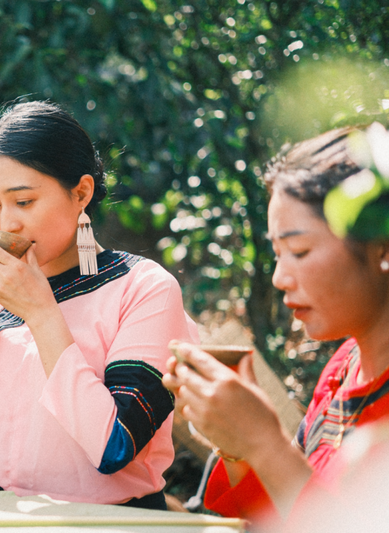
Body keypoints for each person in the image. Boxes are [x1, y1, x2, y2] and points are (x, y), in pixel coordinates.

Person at [0, 101, 198, 509]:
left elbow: (114, 446)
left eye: (24, 201)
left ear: (81, 192)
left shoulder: (143, 288)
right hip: (13, 519)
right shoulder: (2, 300)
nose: (7, 223)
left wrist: (40, 312)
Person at [162, 124, 389, 527]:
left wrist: (264, 442)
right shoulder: (343, 367)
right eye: (277, 252)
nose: (279, 278)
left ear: (382, 248)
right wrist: (237, 442)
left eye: (299, 251)